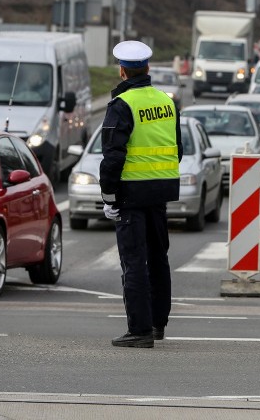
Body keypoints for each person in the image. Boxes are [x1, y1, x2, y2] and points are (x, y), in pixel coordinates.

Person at [100, 40, 183, 349]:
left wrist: (109, 198)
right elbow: (178, 149)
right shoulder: (166, 102)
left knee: (134, 262)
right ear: (147, 69)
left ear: (122, 71)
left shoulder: (122, 105)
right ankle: (158, 324)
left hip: (131, 195)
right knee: (158, 259)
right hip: (160, 192)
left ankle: (140, 330)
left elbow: (112, 158)